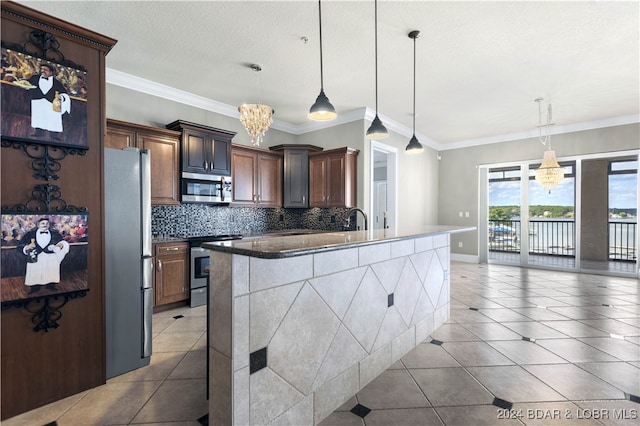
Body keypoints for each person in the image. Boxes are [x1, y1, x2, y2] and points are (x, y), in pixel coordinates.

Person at [17, 217, 69, 294]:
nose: (45, 225)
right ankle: (34, 288)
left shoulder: (55, 234)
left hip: (50, 257)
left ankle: (51, 285)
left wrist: (60, 245)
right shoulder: (30, 234)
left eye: (47, 223)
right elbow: (19, 246)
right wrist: (27, 247)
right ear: (38, 224)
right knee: (35, 272)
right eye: (43, 223)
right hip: (35, 256)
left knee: (50, 271)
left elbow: (63, 242)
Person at [26, 63, 70, 141]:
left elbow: (64, 93)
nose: (42, 71)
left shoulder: (57, 83)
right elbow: (27, 83)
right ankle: (38, 132)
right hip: (38, 101)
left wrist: (62, 97)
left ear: (51, 72)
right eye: (42, 69)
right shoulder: (34, 78)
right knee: (39, 117)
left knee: (53, 119)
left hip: (51, 103)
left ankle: (54, 135)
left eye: (45, 70)